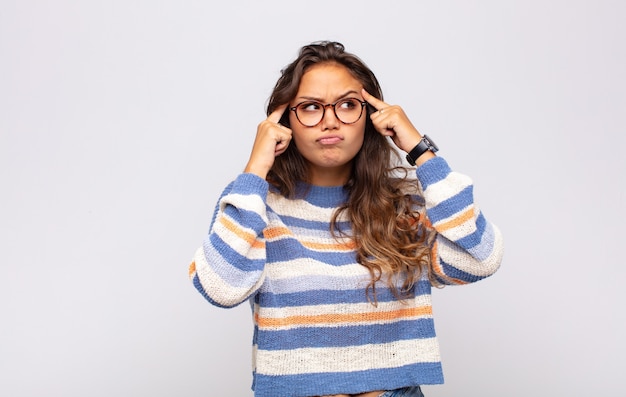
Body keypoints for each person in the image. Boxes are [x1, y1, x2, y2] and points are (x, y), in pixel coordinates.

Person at [188, 41, 503, 397]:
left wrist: (419, 149)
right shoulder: (254, 201)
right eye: (310, 107)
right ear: (282, 120)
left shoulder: (404, 203)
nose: (330, 121)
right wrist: (256, 168)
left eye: (348, 105)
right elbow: (219, 288)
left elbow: (481, 259)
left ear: (371, 116)